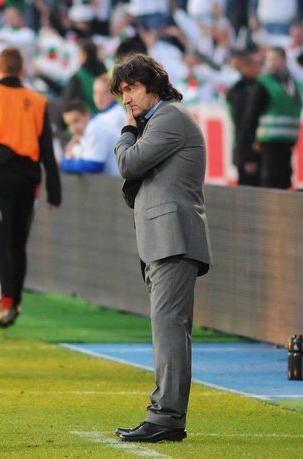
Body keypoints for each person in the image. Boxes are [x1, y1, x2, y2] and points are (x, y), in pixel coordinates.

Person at [110, 54, 212, 443]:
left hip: (173, 239)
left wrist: (126, 130)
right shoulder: (163, 119)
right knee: (167, 330)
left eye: (131, 88)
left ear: (154, 85)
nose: (127, 100)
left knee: (169, 331)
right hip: (163, 239)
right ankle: (164, 414)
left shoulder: (169, 118)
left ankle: (166, 416)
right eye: (121, 93)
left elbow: (129, 163)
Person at [0, 46, 61, 328]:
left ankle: (6, 302)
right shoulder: (37, 101)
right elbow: (46, 150)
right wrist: (55, 190)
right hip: (29, 179)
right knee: (19, 244)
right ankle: (15, 301)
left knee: (0, 242)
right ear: (21, 70)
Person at [236, 46, 303, 189]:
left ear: (285, 60)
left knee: (284, 181)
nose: (271, 63)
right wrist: (247, 155)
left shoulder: (294, 84)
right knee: (270, 182)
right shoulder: (263, 84)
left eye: (275, 59)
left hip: (287, 144)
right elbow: (249, 120)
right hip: (268, 145)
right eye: (269, 60)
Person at [61, 74, 125, 175]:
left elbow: (94, 164)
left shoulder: (114, 116)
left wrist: (65, 163)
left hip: (117, 178)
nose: (99, 98)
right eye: (96, 93)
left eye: (104, 93)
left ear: (114, 93)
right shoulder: (97, 119)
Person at [226, 47, 262, 186]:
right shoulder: (240, 91)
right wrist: (248, 158)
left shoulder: (257, 86)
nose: (260, 67)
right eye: (256, 63)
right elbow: (242, 124)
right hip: (247, 150)